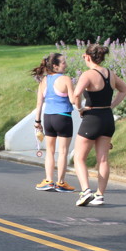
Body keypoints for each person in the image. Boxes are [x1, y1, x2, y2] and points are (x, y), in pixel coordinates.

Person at [72, 44, 126, 206]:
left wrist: (80, 108)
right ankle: (100, 195)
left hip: (92, 118)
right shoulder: (110, 73)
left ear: (88, 57)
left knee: (79, 157)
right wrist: (112, 105)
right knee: (103, 159)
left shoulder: (88, 74)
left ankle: (85, 191)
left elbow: (76, 94)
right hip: (107, 118)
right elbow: (124, 89)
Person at [32, 52, 76, 192]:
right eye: (63, 62)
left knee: (50, 151)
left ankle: (48, 180)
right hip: (63, 117)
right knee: (62, 152)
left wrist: (37, 121)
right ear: (55, 66)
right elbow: (73, 100)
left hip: (48, 118)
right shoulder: (66, 79)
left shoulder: (44, 80)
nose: (66, 64)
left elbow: (39, 103)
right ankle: (61, 183)